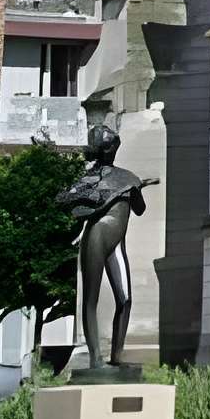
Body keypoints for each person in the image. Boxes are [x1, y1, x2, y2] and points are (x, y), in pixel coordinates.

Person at [60, 124, 149, 379]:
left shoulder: (128, 177)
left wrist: (136, 190)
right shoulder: (88, 180)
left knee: (125, 299)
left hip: (116, 243)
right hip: (97, 237)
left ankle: (117, 356)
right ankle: (96, 359)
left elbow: (140, 209)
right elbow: (68, 202)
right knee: (91, 299)